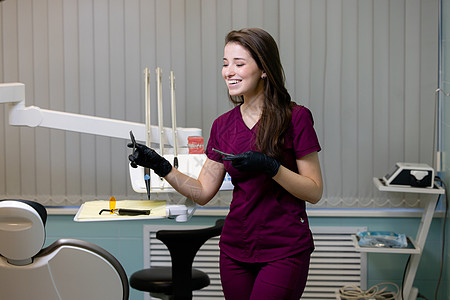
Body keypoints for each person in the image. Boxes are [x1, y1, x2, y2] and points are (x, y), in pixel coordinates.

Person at [128, 28, 323, 300]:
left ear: (264, 69)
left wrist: (272, 167)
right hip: (235, 248)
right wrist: (161, 165)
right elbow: (203, 191)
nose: (229, 71)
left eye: (239, 64)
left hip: (284, 249)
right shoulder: (223, 125)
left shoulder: (295, 118)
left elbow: (314, 191)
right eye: (225, 63)